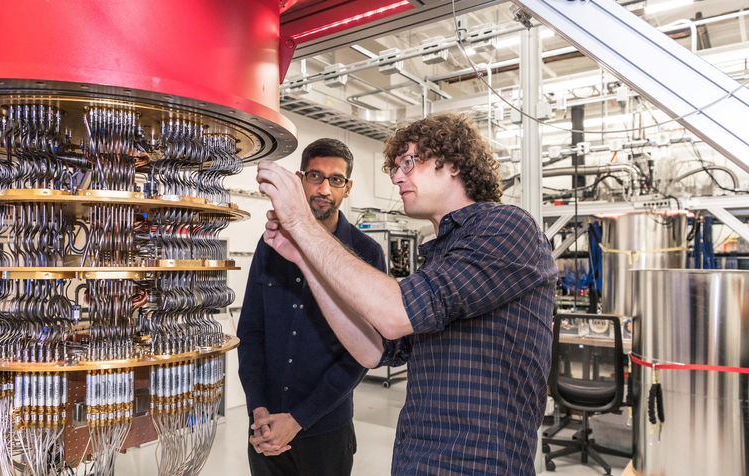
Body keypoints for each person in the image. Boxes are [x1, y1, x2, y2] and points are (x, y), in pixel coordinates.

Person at [255, 113, 558, 475]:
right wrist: (304, 260)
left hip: (477, 465)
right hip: (416, 460)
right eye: (396, 167)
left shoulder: (508, 227)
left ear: (454, 164)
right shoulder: (439, 256)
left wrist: (301, 222)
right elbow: (375, 350)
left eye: (409, 163)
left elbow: (396, 314)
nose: (398, 177)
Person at [237, 138, 386, 476]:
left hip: (326, 430)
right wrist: (258, 409)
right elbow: (251, 330)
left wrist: (299, 419)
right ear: (300, 179)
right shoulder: (271, 243)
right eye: (315, 176)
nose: (323, 188)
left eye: (335, 180)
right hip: (265, 427)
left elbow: (364, 352)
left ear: (347, 188)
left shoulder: (366, 254)